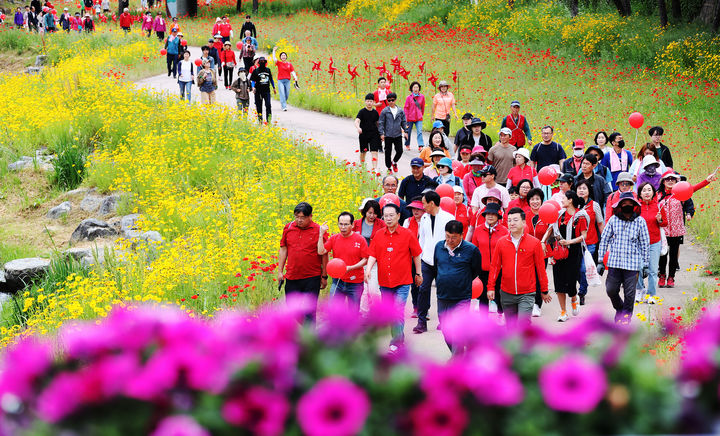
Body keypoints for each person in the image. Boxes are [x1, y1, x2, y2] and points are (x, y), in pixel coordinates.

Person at [365, 203, 422, 352]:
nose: (388, 218)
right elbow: (373, 254)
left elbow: (416, 254)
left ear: (398, 216)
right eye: (386, 216)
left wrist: (418, 273)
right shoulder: (378, 235)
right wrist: (368, 270)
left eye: (391, 215)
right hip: (384, 281)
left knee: (397, 311)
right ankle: (399, 339)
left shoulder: (407, 234)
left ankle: (395, 343)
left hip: (403, 281)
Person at [489, 207, 550, 327]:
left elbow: (540, 269)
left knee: (524, 325)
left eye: (515, 220)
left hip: (527, 293)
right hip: (506, 292)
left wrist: (544, 290)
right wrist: (491, 287)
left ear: (523, 222)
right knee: (511, 327)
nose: (511, 223)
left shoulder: (534, 243)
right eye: (509, 220)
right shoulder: (501, 242)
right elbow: (495, 266)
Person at [597, 192, 650, 324]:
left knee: (630, 294)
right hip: (615, 263)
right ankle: (620, 309)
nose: (627, 205)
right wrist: (600, 260)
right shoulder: (613, 220)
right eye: (624, 204)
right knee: (611, 290)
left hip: (632, 265)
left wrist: (645, 264)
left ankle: (626, 318)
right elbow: (604, 240)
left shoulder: (640, 222)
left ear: (634, 205)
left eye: (629, 204)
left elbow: (645, 244)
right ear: (620, 206)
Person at [657, 169, 715, 288]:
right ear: (663, 181)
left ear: (677, 181)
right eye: (667, 179)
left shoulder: (681, 193)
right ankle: (662, 275)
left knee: (673, 255)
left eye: (673, 179)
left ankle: (671, 277)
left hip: (677, 229)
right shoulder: (657, 195)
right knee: (662, 255)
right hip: (662, 230)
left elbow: (694, 189)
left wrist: (706, 181)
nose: (670, 181)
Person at [432, 220, 482, 354]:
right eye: (447, 236)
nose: (450, 240)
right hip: (442, 296)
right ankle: (464, 349)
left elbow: (476, 270)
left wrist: (461, 281)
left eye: (454, 237)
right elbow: (436, 267)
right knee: (445, 329)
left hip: (462, 296)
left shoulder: (471, 250)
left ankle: (458, 359)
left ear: (462, 235)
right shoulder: (439, 247)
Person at [541, 190, 588, 322]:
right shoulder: (559, 215)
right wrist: (542, 241)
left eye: (564, 198)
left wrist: (569, 242)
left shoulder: (581, 216)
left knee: (571, 282)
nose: (561, 201)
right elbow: (550, 228)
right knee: (559, 283)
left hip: (573, 252)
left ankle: (574, 297)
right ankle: (563, 311)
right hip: (558, 251)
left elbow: (584, 236)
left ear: (571, 200)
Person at [278, 202, 328, 322]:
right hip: (292, 276)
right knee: (292, 311)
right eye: (297, 217)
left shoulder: (318, 230)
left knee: (309, 312)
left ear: (310, 216)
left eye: (302, 217)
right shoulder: (289, 228)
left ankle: (309, 338)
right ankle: (300, 334)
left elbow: (324, 254)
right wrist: (280, 271)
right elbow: (283, 249)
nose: (299, 220)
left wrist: (324, 276)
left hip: (312, 277)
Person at [414, 190, 455, 334]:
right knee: (423, 289)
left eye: (424, 203)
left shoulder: (448, 218)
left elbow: (453, 241)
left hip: (443, 261)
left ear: (432, 203)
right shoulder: (424, 218)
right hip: (426, 260)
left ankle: (444, 321)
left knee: (443, 292)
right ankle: (421, 322)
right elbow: (422, 239)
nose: (422, 207)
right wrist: (420, 255)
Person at [318, 212, 368, 311]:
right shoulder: (334, 238)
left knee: (353, 313)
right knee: (334, 310)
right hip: (338, 281)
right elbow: (321, 251)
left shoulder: (360, 239)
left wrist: (351, 268)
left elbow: (365, 259)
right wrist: (321, 234)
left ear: (352, 225)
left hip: (355, 282)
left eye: (346, 224)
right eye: (341, 224)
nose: (343, 227)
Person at [471, 202, 508, 314]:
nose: (490, 216)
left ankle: (501, 318)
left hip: (499, 270)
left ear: (498, 216)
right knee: (482, 298)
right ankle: (484, 324)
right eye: (488, 214)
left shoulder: (504, 231)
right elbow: (474, 250)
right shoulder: (478, 230)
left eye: (493, 214)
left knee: (500, 296)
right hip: (482, 270)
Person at [574, 179, 604, 305]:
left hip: (590, 243)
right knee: (576, 270)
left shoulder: (594, 205)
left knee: (583, 269)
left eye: (584, 188)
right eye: (579, 188)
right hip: (574, 243)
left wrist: (605, 241)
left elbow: (600, 223)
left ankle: (581, 293)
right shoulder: (572, 204)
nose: (581, 190)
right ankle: (583, 283)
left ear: (589, 191)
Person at [636, 182, 666, 304]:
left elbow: (664, 223)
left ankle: (651, 294)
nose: (647, 192)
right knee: (638, 268)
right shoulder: (636, 207)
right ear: (640, 194)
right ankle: (639, 289)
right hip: (639, 243)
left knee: (653, 270)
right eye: (644, 190)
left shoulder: (659, 206)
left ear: (653, 192)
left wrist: (660, 220)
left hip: (654, 242)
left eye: (649, 190)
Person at [525, 189, 550, 317]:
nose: (535, 202)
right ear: (528, 201)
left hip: (542, 252)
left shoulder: (547, 215)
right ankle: (528, 302)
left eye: (537, 199)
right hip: (526, 252)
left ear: (541, 200)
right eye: (532, 199)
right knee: (528, 278)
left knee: (539, 276)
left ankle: (537, 304)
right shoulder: (524, 215)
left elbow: (552, 232)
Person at [403, 199, 425, 316]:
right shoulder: (407, 221)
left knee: (424, 285)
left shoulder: (427, 220)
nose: (415, 211)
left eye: (418, 209)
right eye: (413, 209)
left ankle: (424, 309)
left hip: (424, 256)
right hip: (411, 256)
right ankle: (416, 307)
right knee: (414, 283)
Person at [378, 92, 408, 174]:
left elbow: (404, 122)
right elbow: (381, 123)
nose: (391, 102)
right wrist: (381, 133)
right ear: (387, 101)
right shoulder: (385, 111)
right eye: (389, 100)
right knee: (388, 152)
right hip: (388, 135)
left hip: (397, 134)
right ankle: (389, 168)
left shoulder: (400, 111)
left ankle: (394, 162)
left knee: (400, 151)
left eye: (393, 100)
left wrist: (406, 131)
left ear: (395, 100)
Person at [355, 94, 381, 172]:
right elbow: (357, 121)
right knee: (363, 151)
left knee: (374, 151)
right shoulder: (362, 111)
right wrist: (358, 127)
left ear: (373, 102)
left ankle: (375, 168)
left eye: (371, 101)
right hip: (364, 134)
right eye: (368, 101)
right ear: (365, 102)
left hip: (374, 134)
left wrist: (381, 133)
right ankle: (362, 166)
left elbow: (378, 123)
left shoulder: (375, 112)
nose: (369, 103)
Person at [250, 57, 276, 124]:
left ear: (265, 62)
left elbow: (271, 79)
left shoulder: (268, 70)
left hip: (266, 91)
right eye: (261, 61)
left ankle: (268, 120)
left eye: (263, 61)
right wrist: (253, 87)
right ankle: (260, 120)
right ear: (259, 63)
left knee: (268, 105)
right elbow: (253, 80)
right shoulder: (256, 71)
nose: (262, 62)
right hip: (258, 91)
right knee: (259, 106)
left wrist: (274, 87)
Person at [272, 47, 298, 112]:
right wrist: (274, 51)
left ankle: (283, 102)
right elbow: (274, 58)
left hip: (287, 80)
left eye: (284, 55)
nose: (283, 57)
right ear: (280, 57)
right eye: (282, 56)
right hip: (280, 80)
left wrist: (295, 78)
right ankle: (284, 106)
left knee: (287, 94)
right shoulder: (279, 63)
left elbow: (292, 71)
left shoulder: (289, 64)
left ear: (286, 57)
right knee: (282, 93)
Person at [403, 81, 425, 151]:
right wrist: (405, 118)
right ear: (411, 88)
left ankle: (420, 145)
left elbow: (423, 107)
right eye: (414, 87)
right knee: (408, 131)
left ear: (419, 88)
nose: (416, 89)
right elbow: (406, 108)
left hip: (418, 117)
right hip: (410, 118)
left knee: (419, 131)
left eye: (417, 87)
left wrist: (421, 114)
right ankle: (407, 144)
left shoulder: (422, 97)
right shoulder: (409, 98)